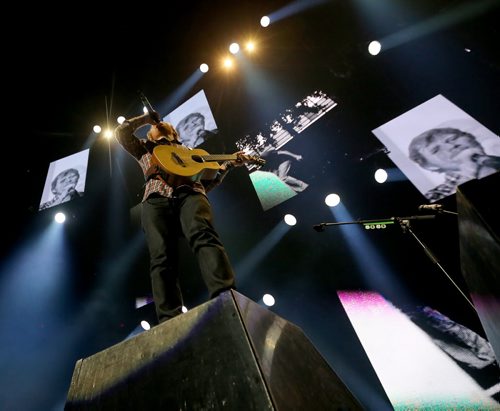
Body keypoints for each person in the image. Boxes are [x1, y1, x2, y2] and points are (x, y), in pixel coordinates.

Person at [114, 111, 250, 324]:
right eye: (154, 126)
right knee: (161, 257)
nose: (159, 125)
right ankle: (170, 319)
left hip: (192, 193)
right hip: (155, 198)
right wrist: (145, 119)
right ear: (150, 134)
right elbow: (121, 133)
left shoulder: (191, 152)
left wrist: (230, 165)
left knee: (204, 236)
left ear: (174, 132)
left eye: (163, 124)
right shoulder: (143, 147)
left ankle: (225, 295)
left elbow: (207, 182)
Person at [408, 127, 500, 201]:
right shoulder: (434, 197)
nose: (451, 146)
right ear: (430, 166)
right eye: (435, 150)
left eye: (453, 138)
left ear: (471, 137)